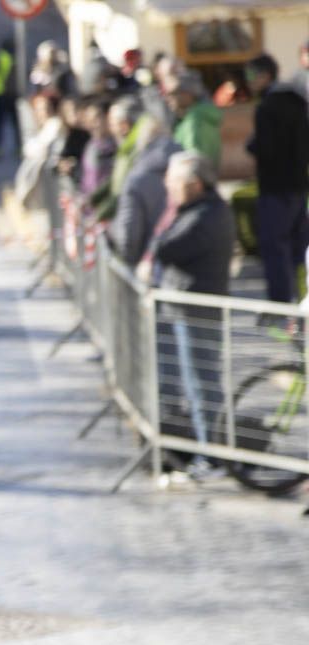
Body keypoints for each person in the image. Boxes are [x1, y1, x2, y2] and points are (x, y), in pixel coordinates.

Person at [148, 152, 234, 482]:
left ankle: (211, 456)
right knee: (195, 385)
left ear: (195, 185)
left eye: (174, 182)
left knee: (202, 387)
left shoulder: (205, 216)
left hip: (196, 311)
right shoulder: (195, 210)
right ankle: (206, 452)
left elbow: (165, 246)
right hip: (186, 308)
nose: (168, 187)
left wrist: (161, 235)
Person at [245, 53, 309, 304]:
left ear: (265, 75)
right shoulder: (298, 101)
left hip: (276, 188)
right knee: (298, 250)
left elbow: (268, 149)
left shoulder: (268, 107)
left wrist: (254, 146)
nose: (248, 82)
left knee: (275, 248)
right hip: (298, 186)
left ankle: (281, 306)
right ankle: (300, 302)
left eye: (251, 76)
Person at [109, 118, 180, 268]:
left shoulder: (136, 177)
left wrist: (128, 261)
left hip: (148, 263)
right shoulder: (186, 167)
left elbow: (129, 229)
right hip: (179, 263)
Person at [166, 71, 221, 170]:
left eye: (174, 93)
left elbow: (193, 161)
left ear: (188, 94)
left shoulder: (194, 122)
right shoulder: (196, 117)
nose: (168, 97)